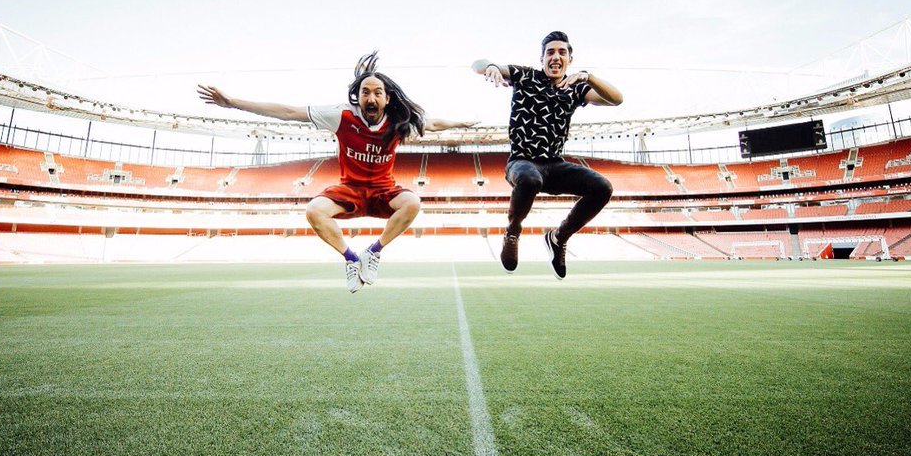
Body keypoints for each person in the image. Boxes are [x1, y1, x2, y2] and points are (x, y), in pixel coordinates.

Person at [198, 53, 476, 292]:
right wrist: (233, 102)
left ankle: (373, 252)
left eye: (377, 92)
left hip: (383, 191)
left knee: (413, 202)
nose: (371, 97)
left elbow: (434, 123)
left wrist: (460, 123)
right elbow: (288, 111)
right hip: (350, 190)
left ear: (387, 98)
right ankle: (352, 259)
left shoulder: (399, 122)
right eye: (365, 92)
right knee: (314, 210)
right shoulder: (342, 116)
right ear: (358, 96)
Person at [472, 31, 623, 279]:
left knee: (602, 187)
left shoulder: (576, 88)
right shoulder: (526, 76)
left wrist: (589, 76)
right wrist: (489, 67)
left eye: (562, 52)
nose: (555, 57)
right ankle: (512, 231)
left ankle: (558, 237)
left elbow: (617, 99)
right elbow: (476, 65)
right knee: (531, 179)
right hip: (521, 162)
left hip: (555, 166)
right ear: (542, 58)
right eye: (550, 52)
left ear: (569, 60)